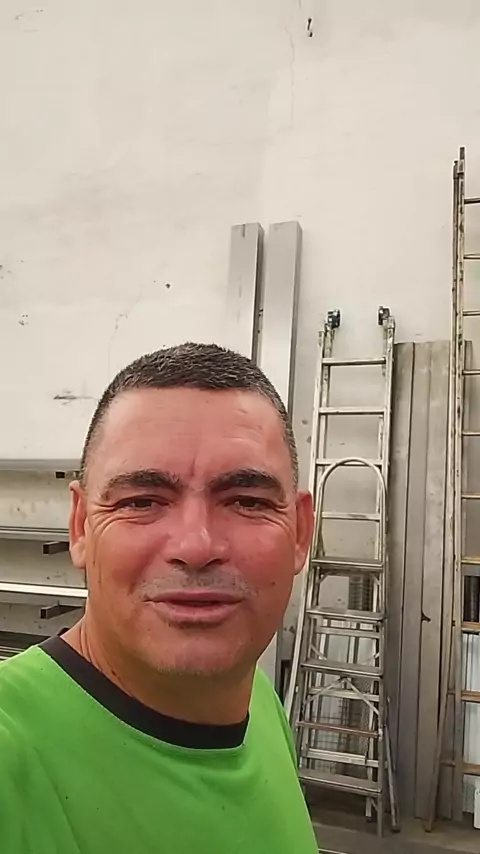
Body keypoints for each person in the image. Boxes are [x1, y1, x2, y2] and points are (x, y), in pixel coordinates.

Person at [0, 342, 318, 853]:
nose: (196, 547)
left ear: (300, 532)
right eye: (141, 501)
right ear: (81, 526)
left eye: (246, 501)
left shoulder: (259, 704)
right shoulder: (12, 755)